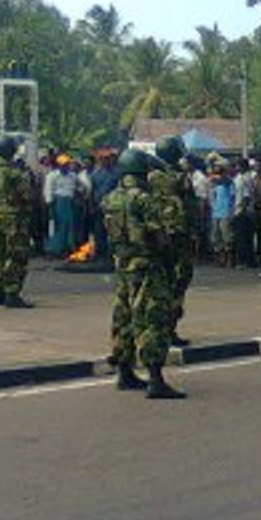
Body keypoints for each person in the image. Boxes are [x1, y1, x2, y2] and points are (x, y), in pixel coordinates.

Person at [102, 149, 184, 399]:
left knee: (123, 318)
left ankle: (125, 372)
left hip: (123, 264)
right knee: (152, 319)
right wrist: (169, 261)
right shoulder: (143, 200)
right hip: (147, 264)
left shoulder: (111, 198)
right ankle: (155, 378)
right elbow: (159, 235)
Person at [149, 136, 197, 347]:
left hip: (159, 235)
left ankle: (161, 327)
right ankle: (168, 327)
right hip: (178, 234)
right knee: (179, 279)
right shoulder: (178, 177)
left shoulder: (150, 176)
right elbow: (191, 207)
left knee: (163, 281)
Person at [0, 135, 34, 308]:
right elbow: (27, 196)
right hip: (14, 219)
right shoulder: (15, 173)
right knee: (16, 254)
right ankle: (12, 293)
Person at [43, 154, 80, 257]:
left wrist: (80, 194)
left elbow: (80, 187)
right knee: (59, 226)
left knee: (70, 226)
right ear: (58, 165)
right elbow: (48, 191)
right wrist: (50, 206)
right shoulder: (52, 176)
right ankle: (57, 249)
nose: (65, 167)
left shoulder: (73, 176)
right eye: (63, 165)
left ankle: (69, 248)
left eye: (67, 164)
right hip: (58, 202)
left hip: (70, 202)